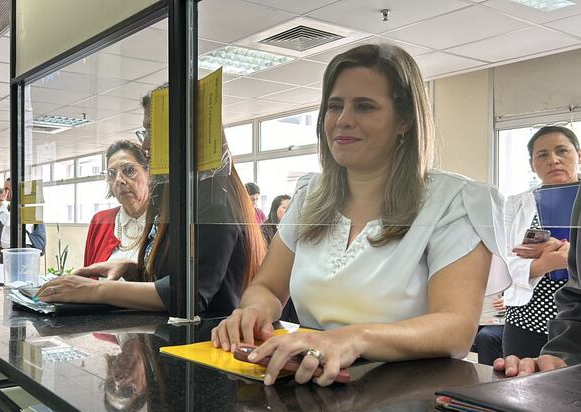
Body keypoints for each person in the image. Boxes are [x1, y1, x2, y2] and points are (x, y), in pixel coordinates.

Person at [211, 44, 509, 387]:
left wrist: (352, 338)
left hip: (404, 394)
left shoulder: (454, 201)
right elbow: (267, 286)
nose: (343, 120)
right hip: (311, 384)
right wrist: (254, 311)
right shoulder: (310, 195)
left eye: (364, 106)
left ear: (405, 121)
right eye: (335, 106)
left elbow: (455, 328)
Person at [36, 90, 267, 317]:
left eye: (153, 132)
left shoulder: (215, 199)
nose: (146, 145)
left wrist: (96, 290)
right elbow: (169, 277)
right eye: (145, 132)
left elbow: (191, 294)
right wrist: (133, 270)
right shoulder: (172, 195)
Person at [500, 126, 578, 360]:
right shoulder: (514, 205)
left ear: (579, 155)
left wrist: (571, 255)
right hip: (525, 320)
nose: (553, 160)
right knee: (520, 379)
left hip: (577, 323)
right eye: (542, 155)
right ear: (532, 165)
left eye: (562, 151)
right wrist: (545, 263)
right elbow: (500, 261)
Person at [84, 140, 150, 266]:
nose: (119, 180)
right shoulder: (100, 221)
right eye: (112, 174)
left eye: (129, 170)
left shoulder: (162, 223)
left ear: (149, 173)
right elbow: (88, 274)